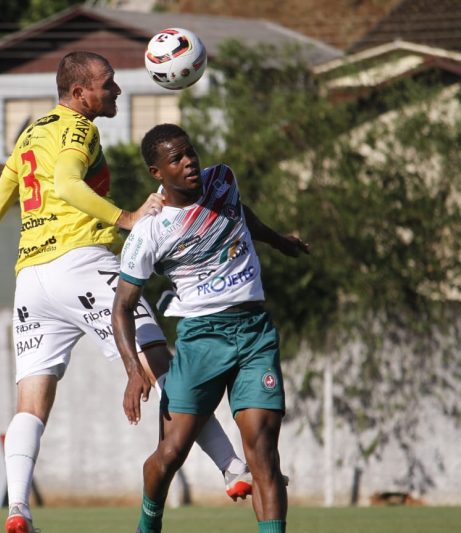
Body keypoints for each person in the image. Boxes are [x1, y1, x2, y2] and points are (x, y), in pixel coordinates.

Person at [0, 52, 252, 533]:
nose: (117, 90)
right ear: (80, 94)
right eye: (108, 84)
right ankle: (233, 468)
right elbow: (65, 183)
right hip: (82, 263)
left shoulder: (30, 134)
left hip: (32, 280)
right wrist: (125, 218)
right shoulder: (79, 129)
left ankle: (17, 507)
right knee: (162, 364)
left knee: (31, 404)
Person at [112, 124, 310, 533]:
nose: (190, 163)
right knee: (172, 451)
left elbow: (240, 213)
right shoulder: (149, 232)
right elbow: (122, 308)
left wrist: (275, 241)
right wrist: (134, 369)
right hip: (202, 338)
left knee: (264, 455)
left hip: (255, 333)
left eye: (191, 153)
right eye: (176, 159)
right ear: (156, 173)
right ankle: (148, 524)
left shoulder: (222, 179)